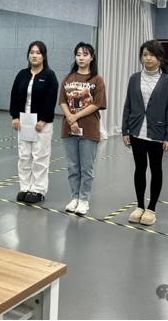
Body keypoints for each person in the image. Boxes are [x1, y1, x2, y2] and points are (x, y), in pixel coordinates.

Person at [122, 40, 168, 226]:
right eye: (145, 54)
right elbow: (128, 105)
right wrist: (125, 130)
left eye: (152, 55)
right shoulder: (134, 78)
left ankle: (151, 208)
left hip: (157, 132)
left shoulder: (167, 80)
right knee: (139, 168)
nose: (148, 58)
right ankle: (139, 206)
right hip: (137, 131)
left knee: (156, 169)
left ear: (159, 57)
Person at [60, 42, 106, 216]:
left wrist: (76, 117)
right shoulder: (68, 78)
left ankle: (84, 199)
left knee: (86, 167)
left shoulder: (97, 79)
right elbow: (62, 100)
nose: (81, 58)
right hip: (68, 129)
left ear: (91, 57)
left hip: (89, 129)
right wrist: (70, 118)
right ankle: (74, 197)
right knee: (73, 167)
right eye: (78, 54)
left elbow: (97, 103)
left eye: (85, 54)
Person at [9, 41, 59, 204]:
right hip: (24, 121)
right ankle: (25, 187)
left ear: (44, 56)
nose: (34, 55)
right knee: (24, 156)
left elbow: (51, 100)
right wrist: (15, 116)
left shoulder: (49, 76)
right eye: (32, 52)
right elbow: (14, 95)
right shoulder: (22, 74)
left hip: (41, 123)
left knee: (40, 157)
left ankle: (38, 190)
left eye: (38, 52)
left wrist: (43, 120)